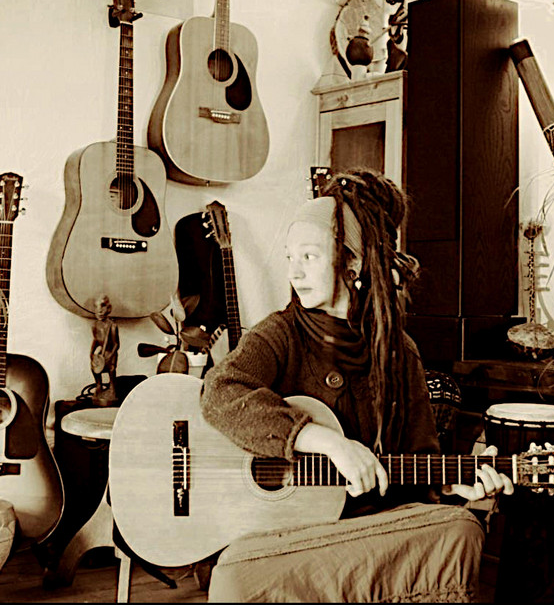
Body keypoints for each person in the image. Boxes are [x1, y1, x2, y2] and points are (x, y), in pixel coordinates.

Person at [200, 169, 513, 602]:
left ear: (353, 262)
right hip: (298, 535)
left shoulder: (399, 352)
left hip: (372, 529)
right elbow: (220, 392)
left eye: (309, 256)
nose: (294, 272)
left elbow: (420, 462)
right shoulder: (281, 333)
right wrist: (327, 442)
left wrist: (452, 485)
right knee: (238, 577)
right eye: (290, 257)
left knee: (460, 529)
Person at [90, 294, 120, 407]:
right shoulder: (95, 325)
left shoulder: (112, 326)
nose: (100, 310)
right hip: (101, 353)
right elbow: (96, 340)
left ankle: (112, 388)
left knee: (111, 369)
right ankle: (99, 385)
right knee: (94, 367)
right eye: (96, 307)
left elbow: (116, 344)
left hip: (110, 353)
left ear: (109, 308)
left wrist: (110, 355)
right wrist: (92, 352)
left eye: (102, 306)